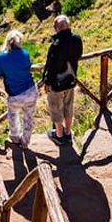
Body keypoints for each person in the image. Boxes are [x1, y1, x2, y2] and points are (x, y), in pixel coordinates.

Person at [41, 15, 83, 146]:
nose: (54, 30)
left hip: (57, 83)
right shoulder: (77, 39)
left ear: (60, 27)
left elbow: (50, 65)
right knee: (68, 107)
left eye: (55, 27)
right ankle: (68, 133)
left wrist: (46, 81)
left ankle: (59, 136)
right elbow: (79, 54)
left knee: (56, 109)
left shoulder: (56, 45)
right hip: (70, 80)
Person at [0, 30, 38, 148]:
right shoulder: (25, 53)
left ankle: (15, 137)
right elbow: (28, 66)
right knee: (28, 117)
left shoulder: (1, 56)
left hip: (15, 93)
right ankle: (25, 142)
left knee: (13, 115)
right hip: (30, 90)